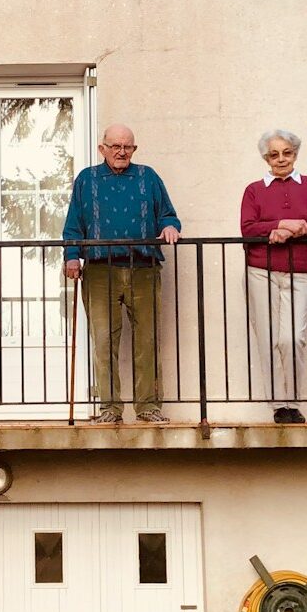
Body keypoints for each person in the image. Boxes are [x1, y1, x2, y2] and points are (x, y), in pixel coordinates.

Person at [63, 124, 181, 424]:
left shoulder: (148, 177)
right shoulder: (87, 180)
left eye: (127, 147)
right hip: (100, 270)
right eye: (115, 146)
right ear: (102, 148)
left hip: (143, 267)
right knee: (103, 341)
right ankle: (110, 409)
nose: (121, 152)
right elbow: (74, 224)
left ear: (134, 149)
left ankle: (148, 408)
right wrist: (72, 256)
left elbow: (168, 214)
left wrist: (169, 226)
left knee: (147, 340)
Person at [239, 129, 307, 424]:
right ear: (266, 158)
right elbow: (248, 228)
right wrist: (279, 225)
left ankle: (293, 400)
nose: (281, 159)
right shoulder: (254, 189)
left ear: (295, 154)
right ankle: (279, 404)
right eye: (274, 154)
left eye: (286, 153)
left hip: (298, 270)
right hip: (260, 271)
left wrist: (296, 229)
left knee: (292, 338)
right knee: (268, 338)